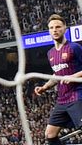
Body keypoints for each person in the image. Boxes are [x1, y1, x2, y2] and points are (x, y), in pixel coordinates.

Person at [33, 14, 82, 145]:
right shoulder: (50, 53)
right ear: (48, 30)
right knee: (49, 135)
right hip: (62, 99)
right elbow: (57, 75)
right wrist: (45, 87)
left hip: (77, 95)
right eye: (51, 27)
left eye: (58, 27)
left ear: (65, 28)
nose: (55, 30)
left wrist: (73, 76)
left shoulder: (74, 48)